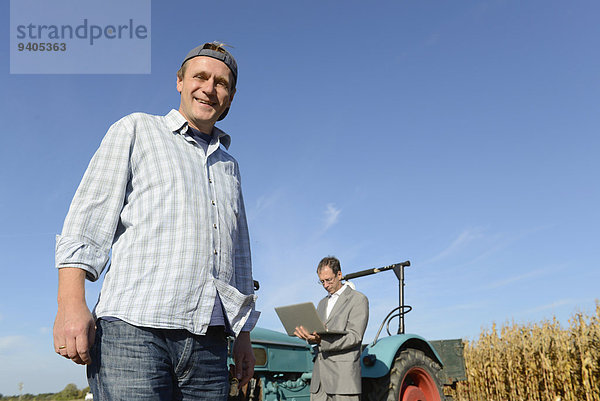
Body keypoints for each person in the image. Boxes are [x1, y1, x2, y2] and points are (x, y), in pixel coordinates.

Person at [53, 42, 260, 401]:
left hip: (209, 346)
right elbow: (87, 219)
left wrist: (242, 335)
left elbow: (239, 256)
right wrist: (71, 304)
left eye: (222, 83)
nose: (209, 88)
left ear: (231, 96)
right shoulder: (136, 130)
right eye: (200, 76)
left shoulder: (231, 167)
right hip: (133, 335)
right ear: (179, 81)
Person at [294, 257, 369, 401]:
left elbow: (354, 336)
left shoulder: (358, 299)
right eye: (322, 281)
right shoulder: (322, 303)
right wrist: (307, 336)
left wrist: (321, 340)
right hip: (320, 381)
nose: (325, 285)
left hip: (343, 380)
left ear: (339, 275)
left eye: (329, 280)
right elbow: (318, 334)